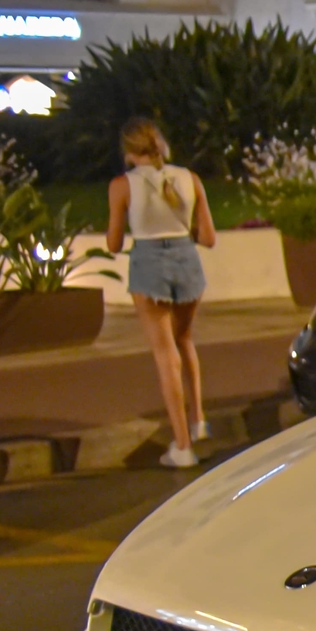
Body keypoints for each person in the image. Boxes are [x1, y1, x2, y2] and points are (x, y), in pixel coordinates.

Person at [105, 118, 216, 469]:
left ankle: (182, 447)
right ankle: (198, 421)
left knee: (165, 353)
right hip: (187, 260)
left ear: (127, 151)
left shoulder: (122, 185)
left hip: (149, 264)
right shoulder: (190, 179)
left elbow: (113, 242)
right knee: (184, 339)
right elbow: (209, 238)